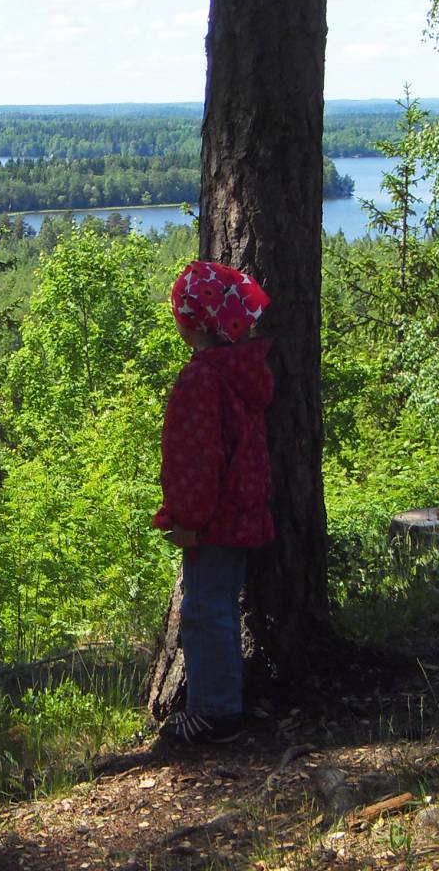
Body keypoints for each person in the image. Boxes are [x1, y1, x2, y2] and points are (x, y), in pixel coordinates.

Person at [153, 260, 275, 745]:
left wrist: (187, 520)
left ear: (191, 322)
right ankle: (221, 704)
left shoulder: (201, 380)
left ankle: (215, 710)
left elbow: (195, 460)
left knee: (204, 609)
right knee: (219, 604)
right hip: (243, 511)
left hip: (214, 520)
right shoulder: (243, 373)